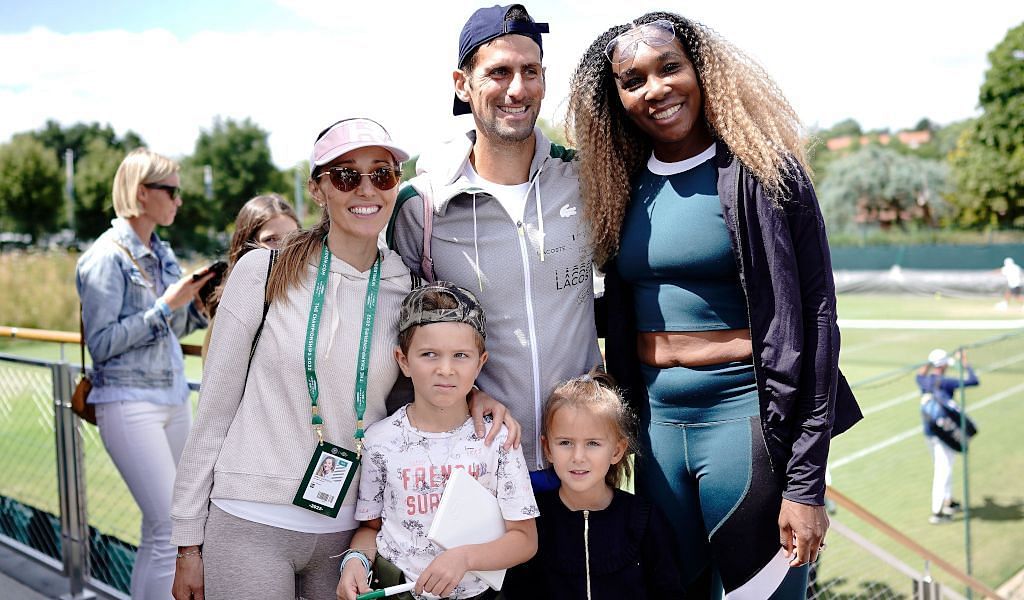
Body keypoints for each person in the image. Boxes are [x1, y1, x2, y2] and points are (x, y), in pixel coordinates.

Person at [566, 13, 862, 597]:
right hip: (653, 429)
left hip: (744, 423)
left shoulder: (764, 171)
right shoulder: (619, 182)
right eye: (633, 80)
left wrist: (805, 486)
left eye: (669, 67)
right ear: (616, 98)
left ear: (701, 71)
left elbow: (817, 321)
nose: (655, 89)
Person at [169, 118, 419, 600]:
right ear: (318, 188)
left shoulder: (405, 286)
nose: (366, 188)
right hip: (248, 520)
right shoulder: (263, 270)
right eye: (346, 175)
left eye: (382, 173)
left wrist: (476, 399)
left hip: (348, 536)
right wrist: (186, 545)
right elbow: (214, 412)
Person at [390, 3, 601, 488]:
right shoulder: (420, 207)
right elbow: (401, 337)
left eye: (531, 72)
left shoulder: (585, 180)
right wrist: (465, 397)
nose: (517, 89)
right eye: (499, 72)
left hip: (579, 468)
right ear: (462, 84)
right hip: (475, 466)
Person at [338, 282, 538, 600]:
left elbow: (524, 539)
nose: (445, 369)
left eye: (460, 355)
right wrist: (355, 562)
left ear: (480, 362)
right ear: (403, 361)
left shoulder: (497, 440)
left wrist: (465, 558)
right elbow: (370, 529)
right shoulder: (379, 441)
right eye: (429, 355)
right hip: (398, 592)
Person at [76, 148, 213, 599]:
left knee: (178, 524)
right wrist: (166, 306)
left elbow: (173, 327)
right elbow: (102, 344)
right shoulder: (104, 258)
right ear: (141, 193)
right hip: (128, 401)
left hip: (172, 397)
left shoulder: (161, 251)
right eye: (170, 190)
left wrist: (199, 301)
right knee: (168, 529)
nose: (178, 200)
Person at [504, 368, 683, 599]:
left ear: (617, 450)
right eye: (566, 442)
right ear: (547, 448)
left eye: (593, 444)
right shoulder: (533, 522)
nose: (578, 456)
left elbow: (669, 591)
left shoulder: (643, 519)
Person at [201, 193, 300, 357]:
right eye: (271, 239)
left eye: (293, 238)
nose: (284, 250)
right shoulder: (232, 309)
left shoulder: (308, 296)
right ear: (247, 246)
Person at [917, 348, 978, 524]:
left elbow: (919, 374)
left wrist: (929, 362)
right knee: (943, 471)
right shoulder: (946, 382)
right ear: (943, 366)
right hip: (945, 432)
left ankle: (948, 502)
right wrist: (965, 362)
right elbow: (973, 381)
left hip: (930, 432)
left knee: (944, 467)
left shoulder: (923, 381)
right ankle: (937, 513)